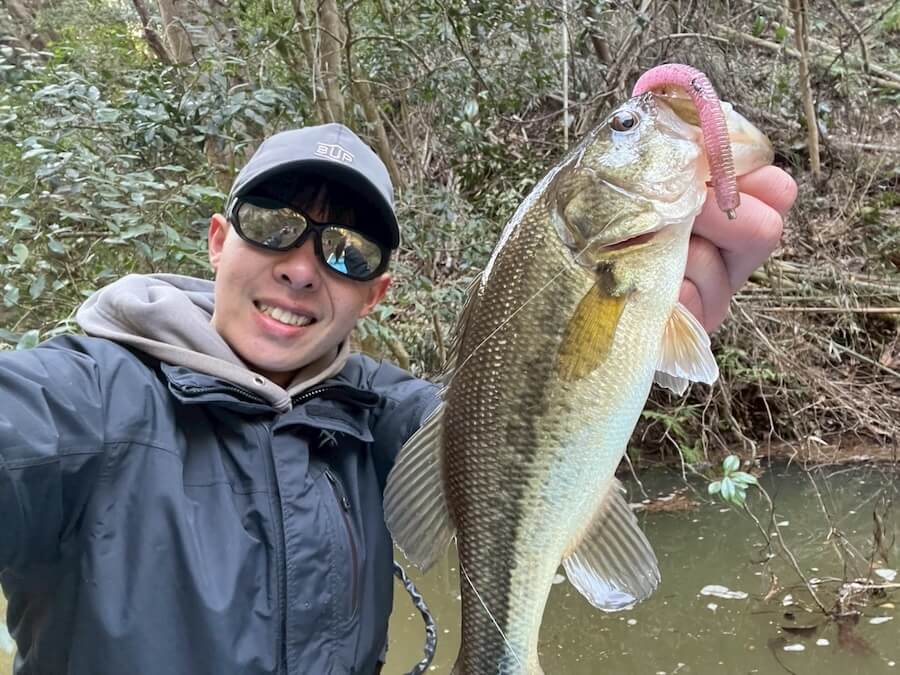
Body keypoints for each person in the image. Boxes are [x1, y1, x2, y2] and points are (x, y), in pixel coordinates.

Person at [0, 122, 796, 675]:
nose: (303, 266)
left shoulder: (380, 415)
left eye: (347, 251)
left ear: (374, 294)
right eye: (273, 223)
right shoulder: (81, 401)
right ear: (218, 239)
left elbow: (495, 422)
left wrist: (631, 338)